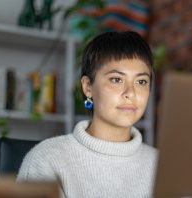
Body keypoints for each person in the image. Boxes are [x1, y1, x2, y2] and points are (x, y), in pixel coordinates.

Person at [17, 31, 158, 198]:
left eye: (141, 82)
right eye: (116, 79)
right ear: (88, 87)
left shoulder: (162, 166)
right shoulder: (47, 160)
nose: (130, 93)